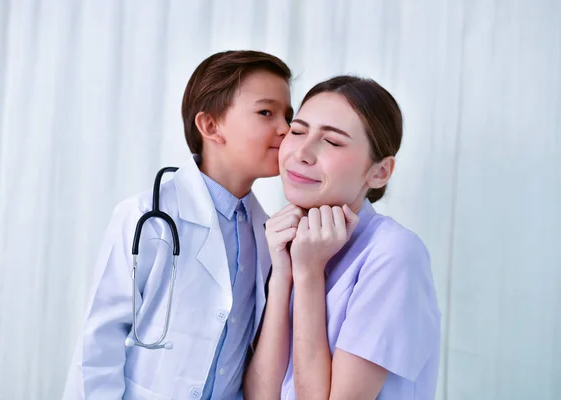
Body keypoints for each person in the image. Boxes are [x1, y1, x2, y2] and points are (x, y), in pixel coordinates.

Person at [62, 50, 293, 400]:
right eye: (266, 112)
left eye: (288, 116)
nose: (286, 129)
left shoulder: (269, 234)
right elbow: (99, 343)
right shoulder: (146, 215)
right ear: (210, 125)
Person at [244, 76, 441, 399]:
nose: (302, 153)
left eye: (333, 142)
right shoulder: (287, 239)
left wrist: (308, 275)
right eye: (298, 131)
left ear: (379, 172)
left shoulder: (394, 254)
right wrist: (283, 273)